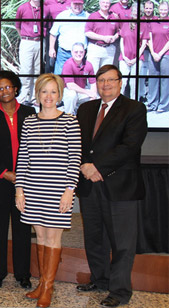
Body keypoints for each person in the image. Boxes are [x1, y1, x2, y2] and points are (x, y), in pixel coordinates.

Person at [76, 65, 147, 308]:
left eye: (110, 80)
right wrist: (84, 165)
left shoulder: (134, 109)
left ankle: (119, 291)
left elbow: (130, 146)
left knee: (122, 242)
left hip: (119, 186)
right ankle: (100, 279)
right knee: (94, 237)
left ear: (120, 82)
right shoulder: (85, 109)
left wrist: (96, 167)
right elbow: (78, 144)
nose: (105, 84)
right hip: (89, 186)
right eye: (101, 80)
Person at [15, 73, 81, 308]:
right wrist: (19, 189)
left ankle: (48, 288)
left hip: (58, 191)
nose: (49, 96)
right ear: (38, 94)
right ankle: (41, 284)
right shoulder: (30, 122)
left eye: (54, 91)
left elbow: (75, 160)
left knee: (53, 237)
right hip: (33, 189)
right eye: (45, 91)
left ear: (60, 94)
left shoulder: (70, 122)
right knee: (40, 236)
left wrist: (69, 190)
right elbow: (23, 159)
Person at [0, 71, 35, 291]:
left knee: (23, 230)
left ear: (15, 88)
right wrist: (4, 173)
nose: (4, 91)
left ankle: (23, 274)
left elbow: (36, 148)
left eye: (8, 87)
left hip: (25, 181)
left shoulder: (30, 113)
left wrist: (23, 175)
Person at [49, 0, 89, 75]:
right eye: (75, 4)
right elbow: (53, 34)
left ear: (83, 4)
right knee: (59, 78)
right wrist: (51, 48)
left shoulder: (88, 17)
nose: (77, 6)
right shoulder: (62, 16)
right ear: (71, 3)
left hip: (80, 55)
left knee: (78, 79)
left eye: (80, 4)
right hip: (64, 53)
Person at [15, 0, 42, 106]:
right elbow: (18, 25)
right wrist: (24, 37)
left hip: (39, 42)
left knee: (37, 71)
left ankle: (34, 98)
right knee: (26, 71)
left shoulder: (44, 8)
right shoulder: (22, 8)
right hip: (27, 42)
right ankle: (22, 97)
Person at [118, 6, 147, 99]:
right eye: (134, 11)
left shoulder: (144, 25)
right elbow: (121, 41)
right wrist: (124, 56)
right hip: (124, 58)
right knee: (122, 82)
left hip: (137, 59)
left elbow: (144, 44)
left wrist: (136, 59)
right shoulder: (126, 24)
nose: (136, 13)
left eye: (138, 11)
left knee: (134, 83)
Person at [61, 43, 98, 115]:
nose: (78, 54)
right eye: (76, 52)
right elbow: (70, 85)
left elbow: (93, 83)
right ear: (71, 52)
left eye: (81, 52)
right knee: (72, 95)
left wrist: (93, 96)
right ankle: (69, 116)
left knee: (96, 98)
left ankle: (84, 117)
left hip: (81, 91)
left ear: (84, 52)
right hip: (68, 91)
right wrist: (88, 92)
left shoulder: (88, 64)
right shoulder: (68, 64)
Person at [85, 0, 121, 72]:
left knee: (105, 74)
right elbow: (87, 32)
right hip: (95, 48)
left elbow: (119, 31)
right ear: (99, 3)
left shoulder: (113, 17)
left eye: (107, 3)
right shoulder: (93, 16)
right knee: (93, 73)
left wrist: (114, 37)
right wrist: (103, 38)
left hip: (109, 49)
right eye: (103, 2)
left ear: (110, 4)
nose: (105, 5)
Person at [146, 1, 169, 113]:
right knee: (153, 79)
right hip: (153, 54)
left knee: (165, 80)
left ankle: (163, 105)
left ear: (168, 10)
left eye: (165, 10)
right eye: (161, 10)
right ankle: (152, 104)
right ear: (158, 10)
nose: (163, 12)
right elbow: (149, 38)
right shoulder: (153, 21)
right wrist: (153, 52)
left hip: (165, 55)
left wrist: (160, 54)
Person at [138, 1, 156, 103]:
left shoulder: (156, 20)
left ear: (153, 9)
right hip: (143, 50)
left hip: (154, 51)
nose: (148, 10)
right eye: (147, 8)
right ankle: (141, 94)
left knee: (151, 74)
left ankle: (151, 96)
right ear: (144, 9)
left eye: (150, 8)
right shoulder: (140, 20)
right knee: (141, 73)